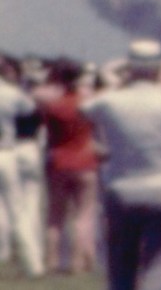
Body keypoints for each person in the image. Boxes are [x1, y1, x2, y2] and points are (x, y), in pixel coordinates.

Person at [82, 39, 161, 290]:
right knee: (158, 264)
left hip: (121, 189)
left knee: (120, 264)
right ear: (159, 68)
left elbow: (85, 108)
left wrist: (116, 81)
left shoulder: (111, 101)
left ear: (130, 67)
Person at [34, 57, 99, 273]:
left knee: (55, 217)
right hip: (85, 161)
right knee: (84, 215)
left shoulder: (51, 105)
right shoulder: (88, 102)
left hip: (58, 160)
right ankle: (78, 262)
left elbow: (38, 97)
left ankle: (52, 260)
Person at [0, 55, 44, 278]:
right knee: (17, 211)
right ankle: (33, 262)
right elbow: (30, 113)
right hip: (6, 152)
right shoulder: (11, 93)